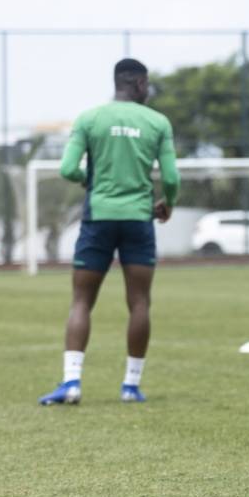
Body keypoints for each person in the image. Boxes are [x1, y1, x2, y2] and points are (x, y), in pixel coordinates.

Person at [38, 59, 180, 406]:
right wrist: (168, 203)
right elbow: (172, 177)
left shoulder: (90, 118)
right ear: (141, 83)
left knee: (82, 300)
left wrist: (93, 181)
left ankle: (71, 383)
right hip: (138, 219)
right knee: (140, 302)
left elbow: (69, 168)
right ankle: (131, 387)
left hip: (98, 217)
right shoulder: (157, 122)